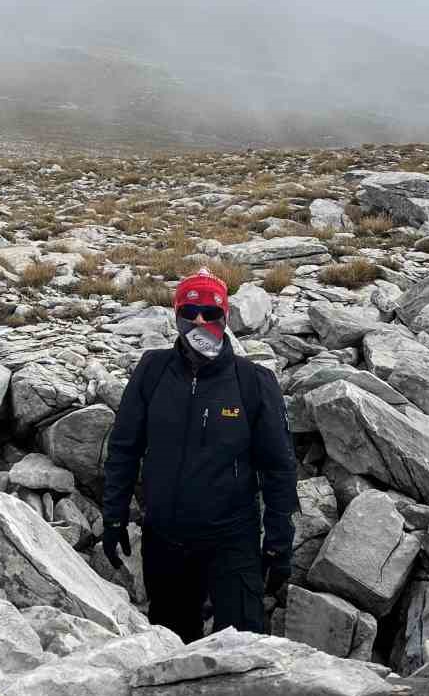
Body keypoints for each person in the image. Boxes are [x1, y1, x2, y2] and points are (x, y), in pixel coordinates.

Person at [100, 267, 298, 642]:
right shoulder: (151, 371)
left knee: (242, 649)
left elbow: (278, 468)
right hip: (165, 540)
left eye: (211, 314)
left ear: (225, 318)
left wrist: (278, 544)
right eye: (189, 314)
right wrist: (113, 517)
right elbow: (124, 448)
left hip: (231, 541)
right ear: (176, 317)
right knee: (171, 647)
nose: (200, 322)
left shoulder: (253, 381)